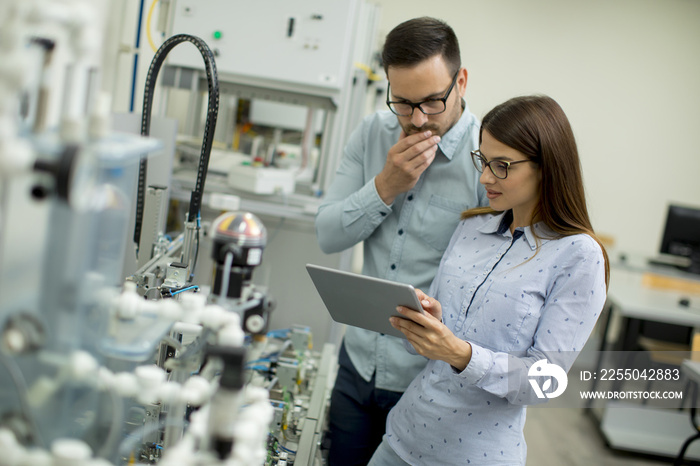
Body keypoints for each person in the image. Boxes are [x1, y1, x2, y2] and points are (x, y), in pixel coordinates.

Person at [366, 95, 610, 465]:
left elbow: (545, 382)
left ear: (547, 167)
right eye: (483, 160)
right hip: (401, 438)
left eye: (502, 166)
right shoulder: (471, 226)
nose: (485, 178)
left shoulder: (578, 256)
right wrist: (424, 322)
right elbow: (429, 345)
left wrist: (460, 354)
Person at [315, 17, 488, 465]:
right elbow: (328, 234)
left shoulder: (488, 160)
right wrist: (385, 185)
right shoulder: (373, 132)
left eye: (432, 102)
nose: (416, 120)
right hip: (358, 365)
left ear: (461, 81)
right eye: (403, 103)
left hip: (427, 382)